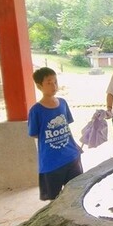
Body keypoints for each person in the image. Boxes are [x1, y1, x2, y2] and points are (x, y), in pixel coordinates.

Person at [28, 67, 83, 201]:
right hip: (51, 163)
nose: (54, 86)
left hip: (72, 157)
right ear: (39, 86)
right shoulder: (36, 110)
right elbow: (34, 133)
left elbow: (66, 127)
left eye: (55, 82)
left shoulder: (63, 103)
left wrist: (75, 146)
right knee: (55, 199)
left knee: (77, 194)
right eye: (49, 82)